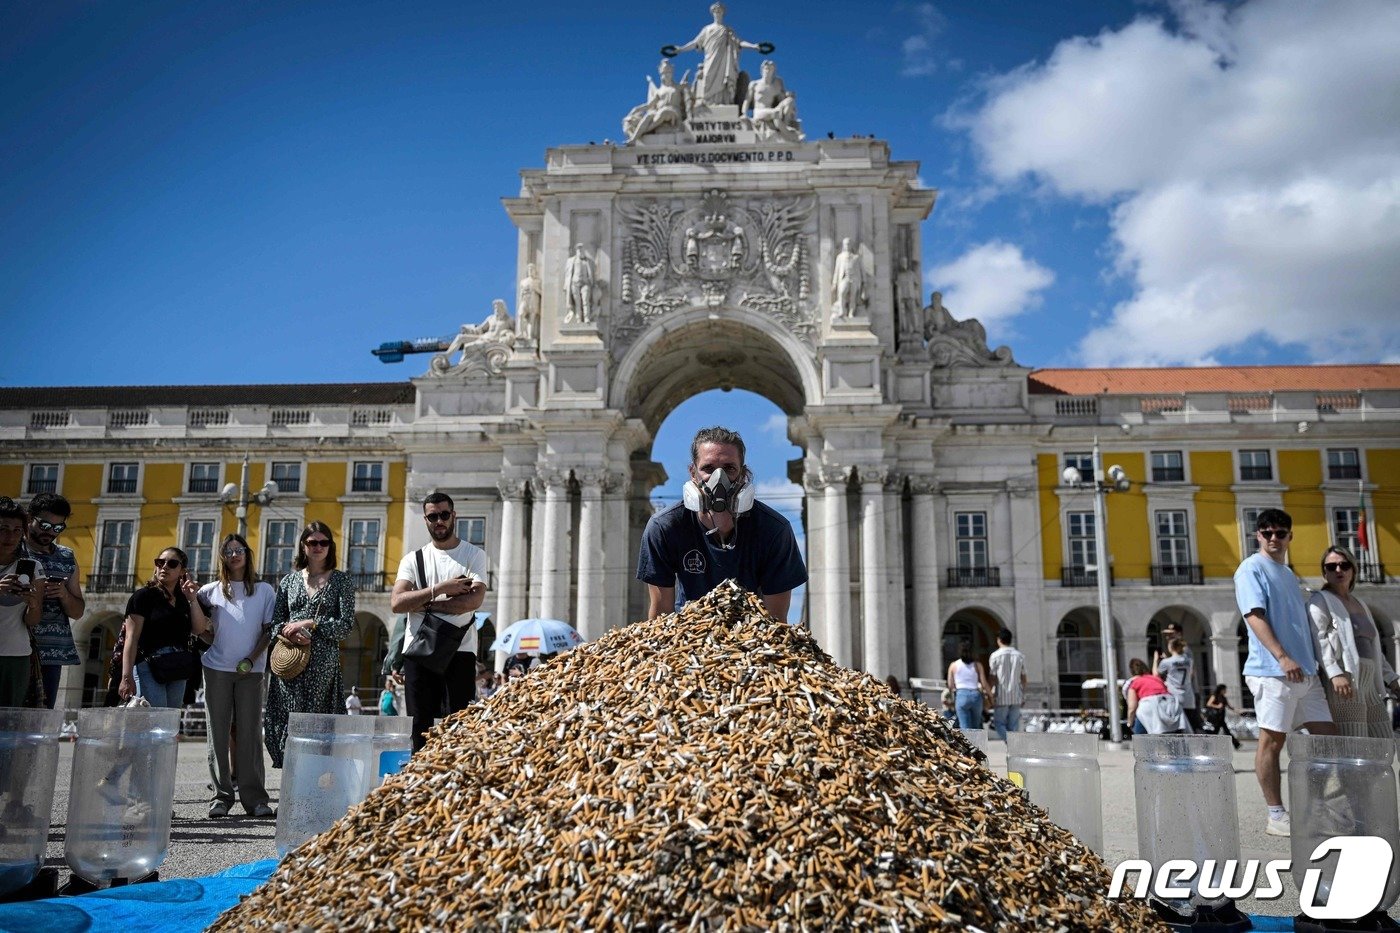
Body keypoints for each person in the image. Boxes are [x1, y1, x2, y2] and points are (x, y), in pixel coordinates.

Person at [1235, 508, 1337, 837]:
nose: (1274, 538)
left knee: (1327, 740)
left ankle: (1314, 806)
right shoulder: (1251, 568)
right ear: (1258, 536)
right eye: (1267, 532)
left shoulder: (1289, 574)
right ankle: (1276, 815)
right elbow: (1254, 616)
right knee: (1271, 742)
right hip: (1273, 670)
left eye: (1281, 532)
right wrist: (1281, 656)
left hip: (1305, 673)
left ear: (1290, 536)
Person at [637, 426, 807, 621]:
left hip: (752, 641)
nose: (719, 479)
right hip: (686, 639)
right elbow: (660, 616)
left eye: (729, 468)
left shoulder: (774, 530)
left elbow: (777, 622)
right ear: (693, 473)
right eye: (708, 468)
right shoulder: (664, 528)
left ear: (743, 474)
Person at [390, 493, 489, 753]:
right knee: (420, 728)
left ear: (453, 515)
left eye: (444, 515)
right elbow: (398, 603)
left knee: (460, 726)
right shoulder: (413, 559)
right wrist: (441, 589)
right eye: (433, 516)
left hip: (461, 651)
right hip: (419, 652)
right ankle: (420, 788)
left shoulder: (473, 555)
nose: (439, 521)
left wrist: (426, 604)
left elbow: (472, 601)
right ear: (426, 520)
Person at [264, 522, 357, 769]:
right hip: (289, 665)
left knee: (318, 729)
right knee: (287, 723)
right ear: (303, 546)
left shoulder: (341, 582)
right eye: (312, 542)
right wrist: (289, 633)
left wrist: (311, 623)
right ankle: (290, 795)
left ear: (330, 546)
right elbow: (274, 624)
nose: (318, 547)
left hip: (322, 667)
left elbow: (345, 626)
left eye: (323, 542)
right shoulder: (289, 582)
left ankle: (315, 792)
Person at [199, 533, 275, 819]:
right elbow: (198, 624)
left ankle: (255, 799)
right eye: (228, 551)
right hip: (217, 668)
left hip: (250, 671)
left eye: (239, 549)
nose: (234, 555)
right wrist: (208, 637)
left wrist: (251, 659)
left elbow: (269, 631)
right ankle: (221, 797)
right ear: (222, 557)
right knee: (217, 733)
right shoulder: (210, 591)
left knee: (250, 734)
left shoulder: (265, 591)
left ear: (247, 553)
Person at [1309, 544, 1399, 739]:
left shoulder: (1361, 604)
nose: (1338, 570)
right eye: (1331, 567)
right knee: (1354, 744)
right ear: (1324, 572)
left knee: (1383, 742)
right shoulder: (1320, 600)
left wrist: (1392, 679)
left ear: (1353, 569)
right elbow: (1319, 639)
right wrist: (1334, 673)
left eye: (1344, 565)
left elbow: (1374, 648)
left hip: (1369, 682)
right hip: (1345, 679)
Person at [118, 546, 211, 708]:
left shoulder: (184, 599)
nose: (164, 567)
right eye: (160, 562)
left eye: (172, 563)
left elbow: (198, 629)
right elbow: (131, 639)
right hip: (148, 665)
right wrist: (126, 677)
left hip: (177, 665)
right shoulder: (143, 596)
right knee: (154, 719)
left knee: (169, 721)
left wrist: (193, 599)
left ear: (182, 571)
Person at [25, 493, 86, 708]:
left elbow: (78, 611)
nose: (50, 532)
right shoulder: (14, 550)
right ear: (29, 517)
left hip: (53, 652)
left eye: (58, 528)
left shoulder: (66, 556)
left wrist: (63, 594)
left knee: (41, 719)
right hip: (17, 648)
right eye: (44, 525)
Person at [669, 1, 769, 107]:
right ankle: (707, 104)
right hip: (710, 58)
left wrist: (754, 46)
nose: (718, 13)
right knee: (707, 78)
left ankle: (723, 102)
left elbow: (739, 42)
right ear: (712, 13)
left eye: (720, 11)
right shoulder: (707, 29)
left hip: (725, 60)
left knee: (724, 81)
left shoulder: (727, 30)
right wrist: (680, 49)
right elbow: (695, 43)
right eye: (715, 11)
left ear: (723, 13)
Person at [0, 497, 43, 706]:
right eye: (4, 528)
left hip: (16, 656)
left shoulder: (32, 567)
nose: (11, 536)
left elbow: (33, 621)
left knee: (8, 726)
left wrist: (33, 603)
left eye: (18, 530)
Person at [624, 59, 689, 142]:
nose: (666, 75)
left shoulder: (678, 87)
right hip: (661, 112)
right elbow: (649, 105)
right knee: (649, 115)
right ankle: (634, 139)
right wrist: (637, 109)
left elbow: (690, 95)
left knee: (663, 112)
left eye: (668, 73)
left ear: (672, 74)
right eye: (664, 73)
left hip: (674, 112)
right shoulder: (659, 91)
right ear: (662, 76)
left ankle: (644, 132)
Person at [1125, 658, 1187, 734]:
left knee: (1139, 737)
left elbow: (1132, 707)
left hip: (1149, 706)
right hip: (1171, 705)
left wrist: (1129, 723)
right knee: (1173, 737)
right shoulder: (1156, 679)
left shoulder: (1135, 683)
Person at [743, 59, 800, 140]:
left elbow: (782, 99)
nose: (768, 71)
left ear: (774, 71)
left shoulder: (777, 84)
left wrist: (788, 96)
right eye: (766, 68)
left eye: (771, 69)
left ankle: (786, 125)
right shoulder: (755, 84)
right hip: (759, 112)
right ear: (762, 70)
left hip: (772, 110)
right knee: (776, 113)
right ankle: (789, 135)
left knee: (790, 101)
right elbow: (747, 100)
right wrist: (744, 114)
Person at [987, 628, 1027, 741]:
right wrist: (1023, 693)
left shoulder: (995, 656)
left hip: (1001, 694)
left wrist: (989, 694)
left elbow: (992, 677)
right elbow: (1023, 677)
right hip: (1016, 694)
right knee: (1013, 725)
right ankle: (1012, 746)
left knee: (998, 723)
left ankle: (1010, 742)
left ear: (999, 640)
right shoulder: (1019, 655)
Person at [1157, 637, 1203, 733]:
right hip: (1189, 697)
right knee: (1191, 727)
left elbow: (1156, 675)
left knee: (1178, 729)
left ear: (1171, 647)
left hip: (1175, 697)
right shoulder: (1189, 660)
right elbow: (1191, 674)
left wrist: (1156, 660)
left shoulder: (1166, 662)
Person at [946, 640, 991, 730]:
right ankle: (977, 744)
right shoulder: (977, 665)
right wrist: (991, 696)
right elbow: (984, 683)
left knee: (964, 727)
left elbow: (950, 686)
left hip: (961, 694)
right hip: (975, 695)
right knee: (976, 727)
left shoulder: (953, 665)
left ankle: (967, 743)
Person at [831, 238, 865, 319]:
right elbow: (837, 271)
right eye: (846, 244)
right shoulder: (840, 257)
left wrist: (864, 281)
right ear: (843, 245)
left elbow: (861, 270)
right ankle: (842, 311)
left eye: (849, 244)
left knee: (853, 297)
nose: (847, 245)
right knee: (842, 293)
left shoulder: (856, 257)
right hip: (844, 278)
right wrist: (834, 282)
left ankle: (851, 313)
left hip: (854, 279)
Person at [1203, 684, 1242, 750]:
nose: (1226, 691)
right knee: (1215, 733)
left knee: (1224, 732)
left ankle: (1236, 744)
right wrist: (1217, 706)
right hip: (1216, 718)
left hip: (1221, 718)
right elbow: (1208, 704)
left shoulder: (1223, 698)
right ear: (1221, 689)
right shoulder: (1215, 695)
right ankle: (1207, 745)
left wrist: (1237, 711)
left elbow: (1229, 706)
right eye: (1225, 689)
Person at [563, 245, 595, 324]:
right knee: (577, 302)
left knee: (585, 300)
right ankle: (578, 318)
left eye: (581, 249)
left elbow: (591, 274)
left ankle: (587, 317)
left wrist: (590, 281)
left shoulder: (588, 261)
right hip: (575, 283)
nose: (580, 251)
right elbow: (567, 273)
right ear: (576, 251)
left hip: (585, 283)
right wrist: (566, 285)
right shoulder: (571, 261)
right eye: (578, 250)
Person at [517, 263, 542, 343]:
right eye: (529, 270)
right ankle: (521, 332)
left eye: (532, 269)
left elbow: (542, 293)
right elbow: (520, 293)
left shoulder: (537, 281)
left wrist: (536, 289)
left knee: (532, 320)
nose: (530, 271)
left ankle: (530, 336)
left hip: (533, 300)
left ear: (535, 271)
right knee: (521, 314)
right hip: (524, 300)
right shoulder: (523, 281)